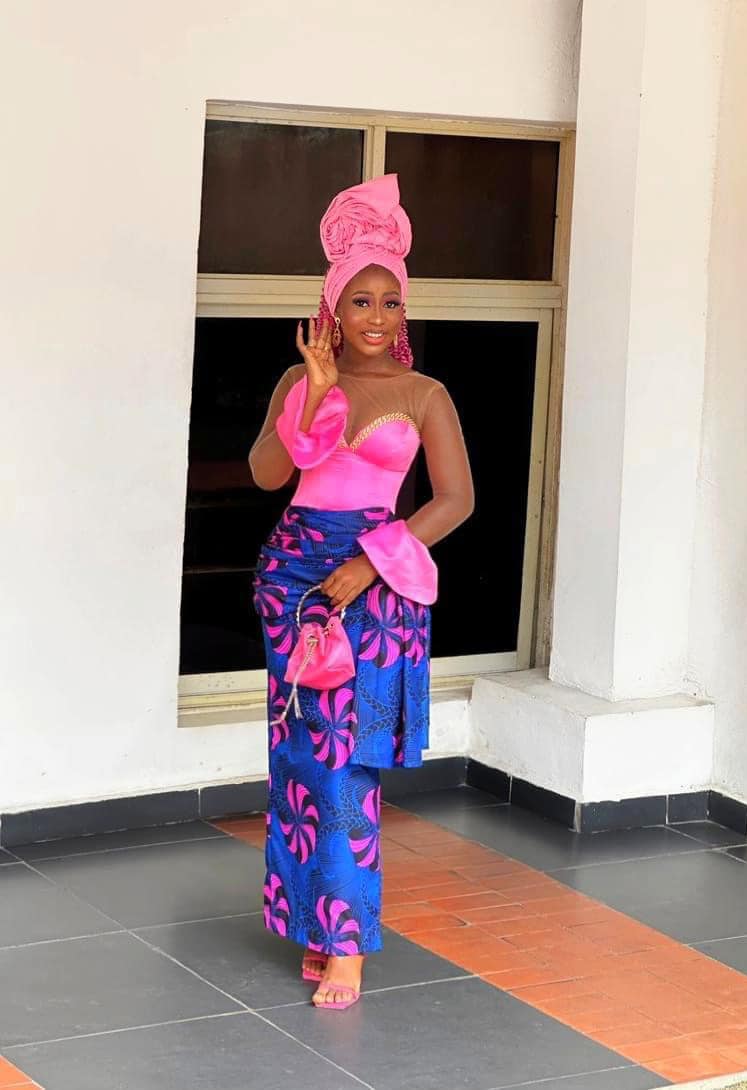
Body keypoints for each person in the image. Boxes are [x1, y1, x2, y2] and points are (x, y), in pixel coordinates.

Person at [248, 174, 474, 1011]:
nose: (376, 317)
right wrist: (311, 391)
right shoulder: (299, 377)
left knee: (349, 768)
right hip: (292, 581)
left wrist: (372, 564)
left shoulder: (424, 394)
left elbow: (455, 500)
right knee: (299, 765)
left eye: (390, 301)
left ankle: (346, 943)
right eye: (360, 301)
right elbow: (267, 474)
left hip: (373, 595)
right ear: (333, 307)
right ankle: (314, 921)